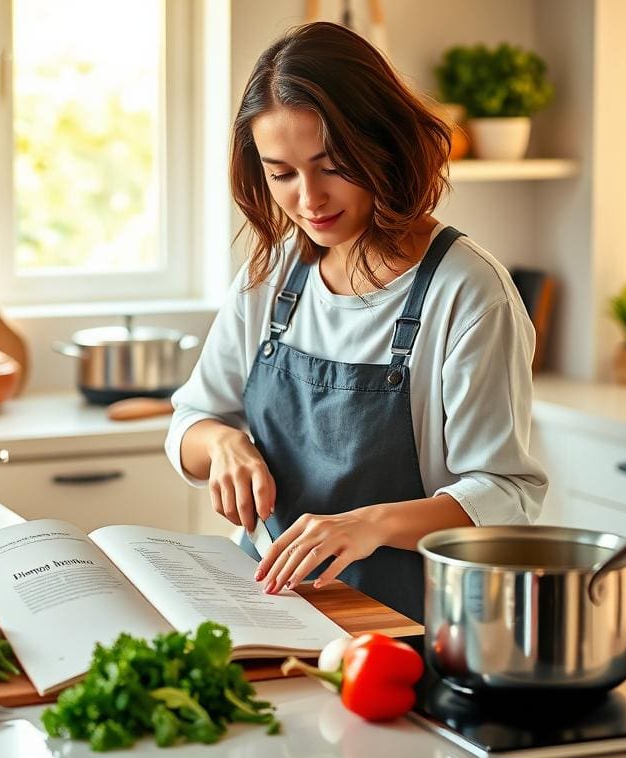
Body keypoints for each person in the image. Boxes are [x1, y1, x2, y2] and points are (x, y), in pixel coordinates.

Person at [163, 22, 548, 622]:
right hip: (271, 606)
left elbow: (507, 494)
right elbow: (189, 422)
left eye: (332, 166)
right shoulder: (273, 274)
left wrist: (370, 525)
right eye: (281, 174)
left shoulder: (469, 293)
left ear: (384, 144)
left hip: (411, 622)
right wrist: (223, 444)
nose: (308, 199)